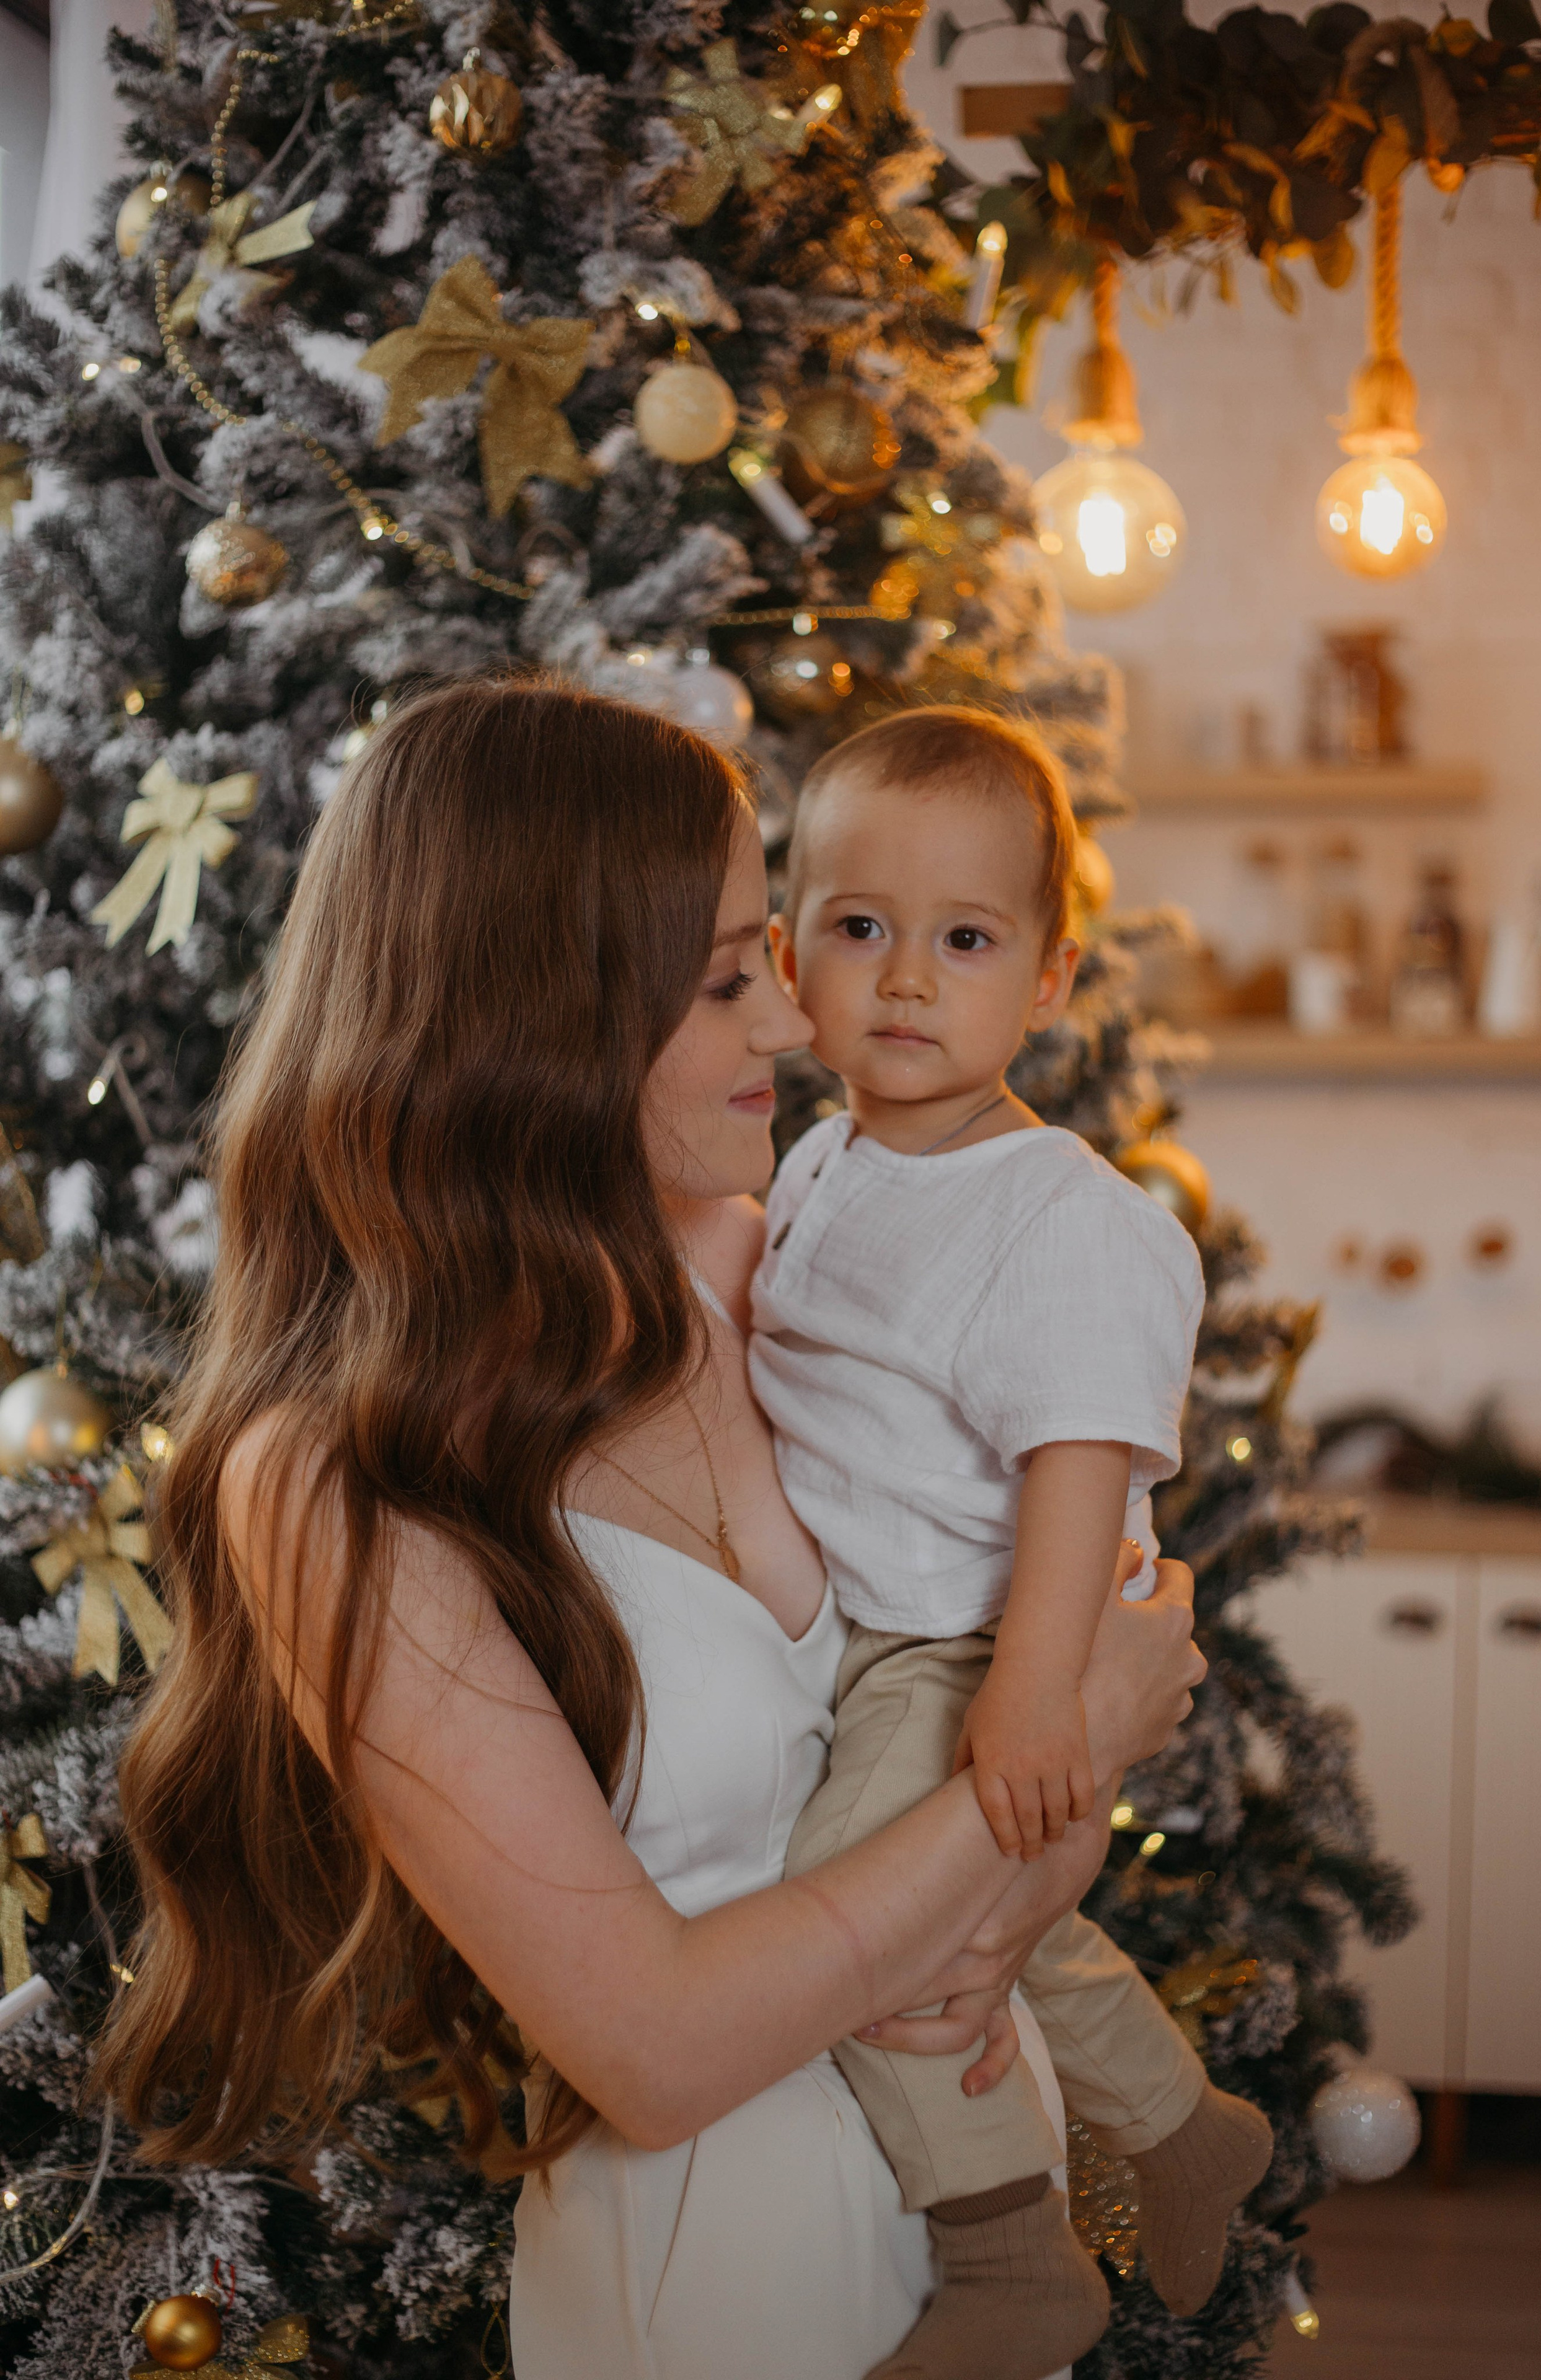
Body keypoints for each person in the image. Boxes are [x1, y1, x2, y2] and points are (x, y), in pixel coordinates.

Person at [97, 676, 1205, 2380]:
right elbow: (658, 2049)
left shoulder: (764, 1278)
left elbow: (1039, 1650)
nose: (791, 1021)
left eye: (774, 952)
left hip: (977, 2244)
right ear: (536, 1015)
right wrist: (1059, 1765)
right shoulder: (328, 1480)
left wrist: (1057, 1802)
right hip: (711, 2288)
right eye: (720, 980)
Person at [757, 707, 1273, 2380]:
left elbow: (1079, 1461)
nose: (908, 980)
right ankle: (1186, 2132)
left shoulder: (1057, 1211)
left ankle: (1005, 2253)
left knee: (857, 1917)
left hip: (976, 1639)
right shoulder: (822, 1162)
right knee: (1010, 1930)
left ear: (1048, 984)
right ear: (789, 959)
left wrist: (1036, 1693)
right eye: (861, 931)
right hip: (879, 1630)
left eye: (965, 942)